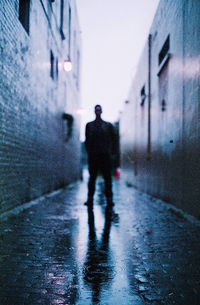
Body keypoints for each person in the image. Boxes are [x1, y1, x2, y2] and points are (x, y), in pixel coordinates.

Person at [84, 105, 115, 207]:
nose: (97, 111)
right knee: (92, 178)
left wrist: (110, 152)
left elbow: (114, 140)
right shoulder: (89, 125)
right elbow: (87, 141)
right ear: (94, 111)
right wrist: (90, 153)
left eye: (99, 110)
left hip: (105, 156)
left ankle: (109, 200)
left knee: (107, 179)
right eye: (96, 110)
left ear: (101, 111)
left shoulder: (108, 125)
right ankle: (90, 199)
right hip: (94, 156)